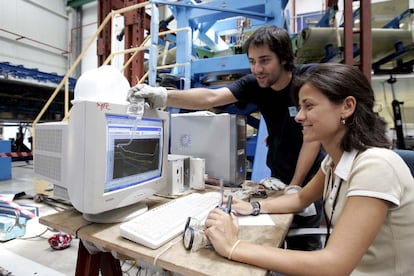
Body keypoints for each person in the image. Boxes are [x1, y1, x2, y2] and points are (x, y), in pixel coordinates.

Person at [204, 63, 414, 275]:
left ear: (347, 106)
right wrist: (254, 207)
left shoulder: (376, 167)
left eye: (309, 106)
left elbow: (334, 265)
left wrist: (233, 246)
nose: (298, 117)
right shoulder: (334, 162)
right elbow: (300, 199)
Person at [128, 25, 325, 250]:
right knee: (276, 235)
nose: (257, 68)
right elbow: (211, 97)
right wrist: (164, 96)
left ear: (283, 58)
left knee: (304, 244)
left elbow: (313, 138)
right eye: (252, 61)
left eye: (264, 60)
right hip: (280, 177)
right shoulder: (256, 84)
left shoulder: (306, 81)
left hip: (309, 180)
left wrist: (296, 185)